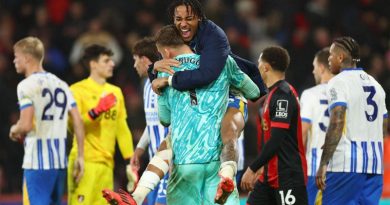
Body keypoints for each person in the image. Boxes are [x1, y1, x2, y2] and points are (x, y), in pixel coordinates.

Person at [103, 25, 260, 205]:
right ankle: (226, 177)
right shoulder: (220, 60)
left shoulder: (163, 72)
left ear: (167, 52)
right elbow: (254, 91)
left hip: (192, 150)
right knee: (227, 127)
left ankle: (136, 197)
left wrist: (162, 83)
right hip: (214, 142)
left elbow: (164, 119)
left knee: (172, 139)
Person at [149, 1, 267, 202]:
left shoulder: (214, 36)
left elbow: (207, 74)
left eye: (189, 18)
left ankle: (227, 177)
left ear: (199, 18)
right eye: (178, 19)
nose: (183, 24)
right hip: (208, 96)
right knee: (175, 134)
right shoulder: (179, 41)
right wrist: (154, 68)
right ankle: (137, 193)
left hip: (231, 92)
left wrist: (167, 79)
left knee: (227, 129)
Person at [9, 36, 84, 205]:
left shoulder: (25, 85)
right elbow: (78, 122)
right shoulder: (61, 84)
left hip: (37, 163)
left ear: (27, 58)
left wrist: (15, 129)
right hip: (59, 163)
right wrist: (81, 155)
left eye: (17, 56)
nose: (14, 60)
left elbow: (26, 124)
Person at [315, 37, 388, 204]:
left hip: (346, 166)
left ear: (340, 58)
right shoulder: (376, 84)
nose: (329, 59)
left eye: (331, 55)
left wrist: (324, 162)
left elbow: (337, 122)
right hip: (374, 166)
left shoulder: (338, 82)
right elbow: (383, 127)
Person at [67, 44, 134, 205]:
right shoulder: (77, 90)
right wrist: (95, 112)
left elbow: (121, 128)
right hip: (84, 162)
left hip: (107, 166)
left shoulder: (116, 92)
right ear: (93, 64)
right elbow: (71, 126)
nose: (112, 64)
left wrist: (130, 161)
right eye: (106, 61)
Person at [241, 46, 308, 205]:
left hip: (287, 177)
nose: (257, 67)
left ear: (266, 67)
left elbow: (276, 139)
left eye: (259, 63)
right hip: (268, 177)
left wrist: (252, 168)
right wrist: (262, 167)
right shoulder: (270, 96)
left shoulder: (282, 96)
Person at [131, 37, 169, 205]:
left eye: (135, 60)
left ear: (144, 59)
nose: (134, 65)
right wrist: (139, 149)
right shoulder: (146, 85)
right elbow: (152, 122)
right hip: (154, 164)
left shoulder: (165, 82)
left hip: (168, 161)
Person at [299, 47, 333, 205]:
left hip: (315, 168)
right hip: (341, 169)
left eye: (314, 67)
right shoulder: (347, 93)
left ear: (321, 67)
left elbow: (302, 132)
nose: (313, 72)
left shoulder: (310, 94)